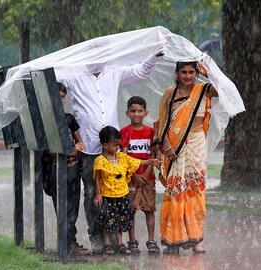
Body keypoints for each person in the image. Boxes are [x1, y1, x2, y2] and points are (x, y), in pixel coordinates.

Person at [59, 49, 164, 252]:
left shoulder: (114, 72)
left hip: (112, 148)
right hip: (89, 146)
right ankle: (97, 236)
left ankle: (116, 238)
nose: (97, 60)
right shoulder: (75, 75)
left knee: (118, 191)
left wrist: (155, 54)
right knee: (93, 192)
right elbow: (51, 75)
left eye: (101, 55)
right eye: (93, 56)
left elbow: (141, 71)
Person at [153, 61, 218, 255]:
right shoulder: (169, 94)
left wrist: (209, 74)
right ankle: (173, 239)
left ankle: (197, 239)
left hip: (197, 144)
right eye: (184, 72)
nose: (188, 76)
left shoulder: (204, 89)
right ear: (177, 73)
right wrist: (167, 146)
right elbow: (163, 122)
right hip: (174, 145)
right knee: (175, 190)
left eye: (191, 72)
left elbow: (225, 91)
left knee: (195, 190)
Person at [93, 125, 159, 255]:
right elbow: (97, 178)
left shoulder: (122, 157)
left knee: (120, 220)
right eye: (114, 145)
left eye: (118, 145)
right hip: (107, 196)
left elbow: (136, 161)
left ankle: (120, 243)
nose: (117, 148)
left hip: (122, 195)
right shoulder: (100, 161)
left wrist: (150, 161)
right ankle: (106, 244)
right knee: (107, 220)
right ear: (105, 145)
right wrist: (98, 194)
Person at [40, 82, 89, 255]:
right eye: (57, 96)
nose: (60, 100)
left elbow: (79, 142)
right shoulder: (46, 121)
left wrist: (74, 149)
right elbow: (50, 148)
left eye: (62, 97)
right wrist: (67, 150)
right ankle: (67, 242)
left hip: (73, 169)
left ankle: (71, 241)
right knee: (61, 206)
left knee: (73, 208)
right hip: (55, 170)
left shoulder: (69, 119)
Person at [120, 96, 160, 255]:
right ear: (127, 113)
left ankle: (151, 240)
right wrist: (134, 175)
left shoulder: (151, 132)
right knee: (131, 210)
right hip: (131, 179)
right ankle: (132, 241)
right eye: (133, 111)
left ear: (146, 113)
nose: (136, 114)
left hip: (148, 179)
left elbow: (153, 153)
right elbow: (124, 156)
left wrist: (147, 173)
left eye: (140, 111)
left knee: (149, 209)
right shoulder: (124, 132)